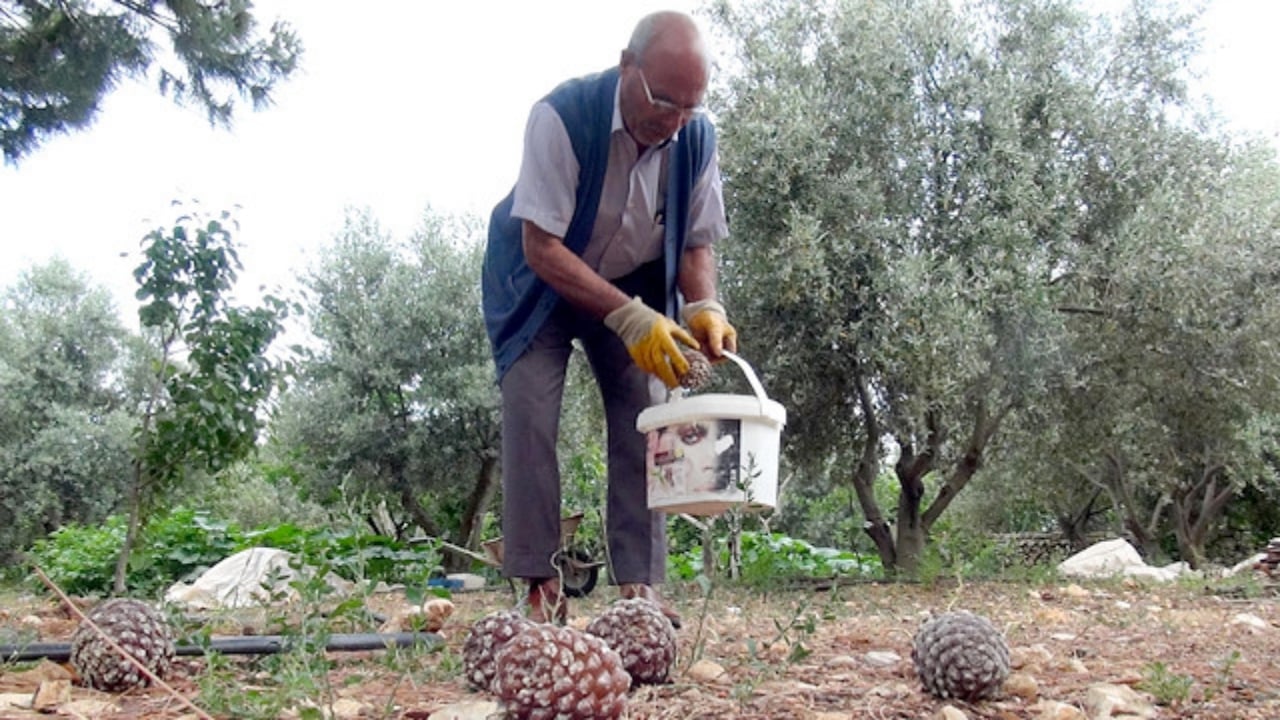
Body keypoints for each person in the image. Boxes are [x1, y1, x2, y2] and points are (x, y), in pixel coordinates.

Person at [481, 10, 737, 627]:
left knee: (642, 417)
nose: (673, 121)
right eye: (663, 101)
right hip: (538, 280)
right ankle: (538, 586)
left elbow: (698, 242)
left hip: (632, 284)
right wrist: (629, 318)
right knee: (533, 414)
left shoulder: (694, 138)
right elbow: (542, 247)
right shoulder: (561, 118)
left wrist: (703, 304)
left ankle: (641, 589)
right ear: (628, 65)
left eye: (689, 108)